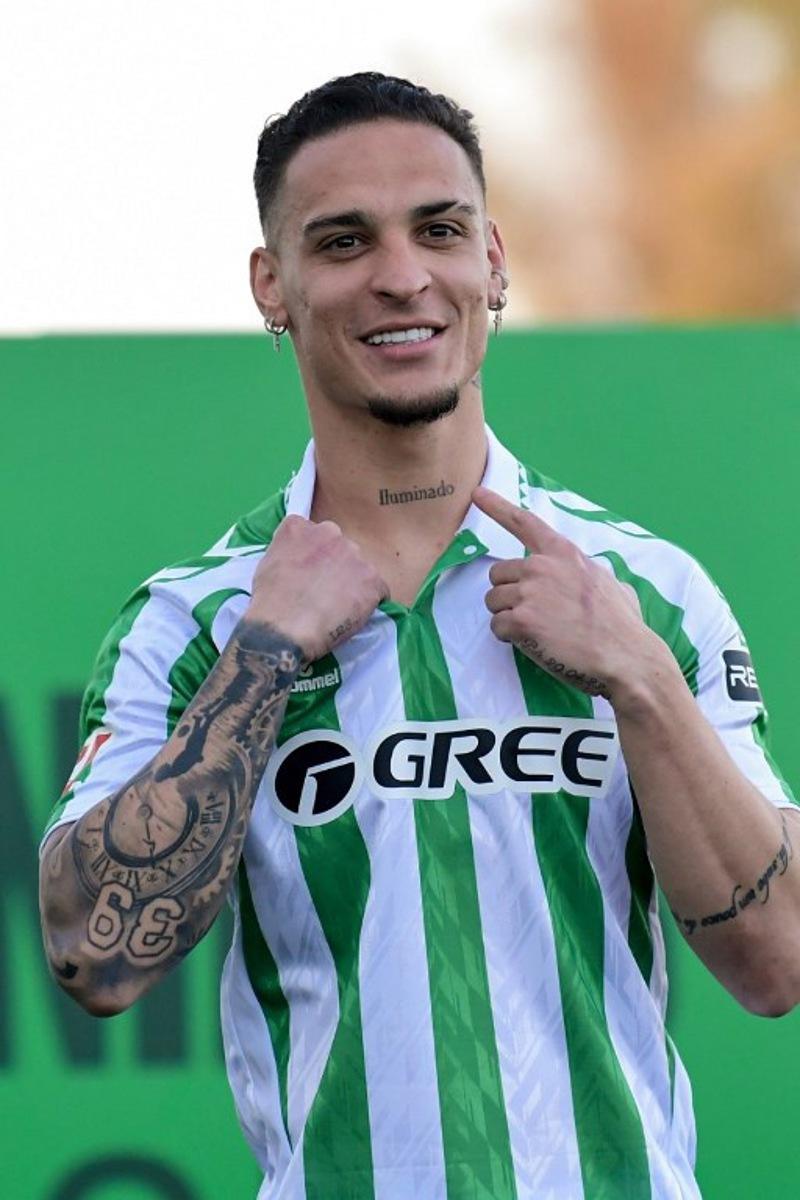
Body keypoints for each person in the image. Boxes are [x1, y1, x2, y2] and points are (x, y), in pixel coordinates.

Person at [39, 72, 800, 1200]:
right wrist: (264, 657)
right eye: (342, 242)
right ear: (273, 285)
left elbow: (773, 960)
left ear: (490, 259)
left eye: (437, 230)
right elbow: (94, 954)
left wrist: (640, 679)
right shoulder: (197, 620)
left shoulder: (644, 590)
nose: (402, 276)